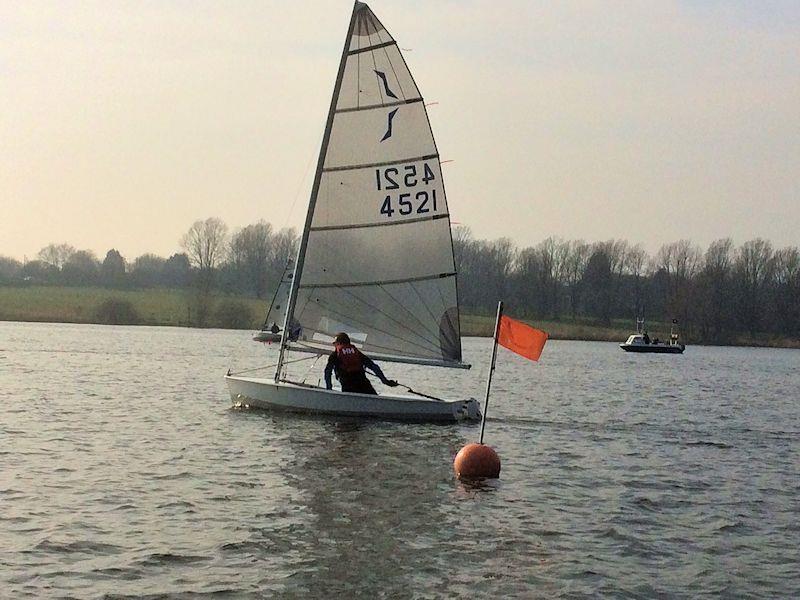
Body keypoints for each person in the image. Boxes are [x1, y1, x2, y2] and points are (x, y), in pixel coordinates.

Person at [324, 332, 398, 394]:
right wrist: (385, 381)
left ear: (338, 343)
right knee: (373, 398)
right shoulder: (357, 353)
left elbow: (327, 372)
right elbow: (374, 367)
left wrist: (329, 390)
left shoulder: (334, 355)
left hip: (348, 386)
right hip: (363, 384)